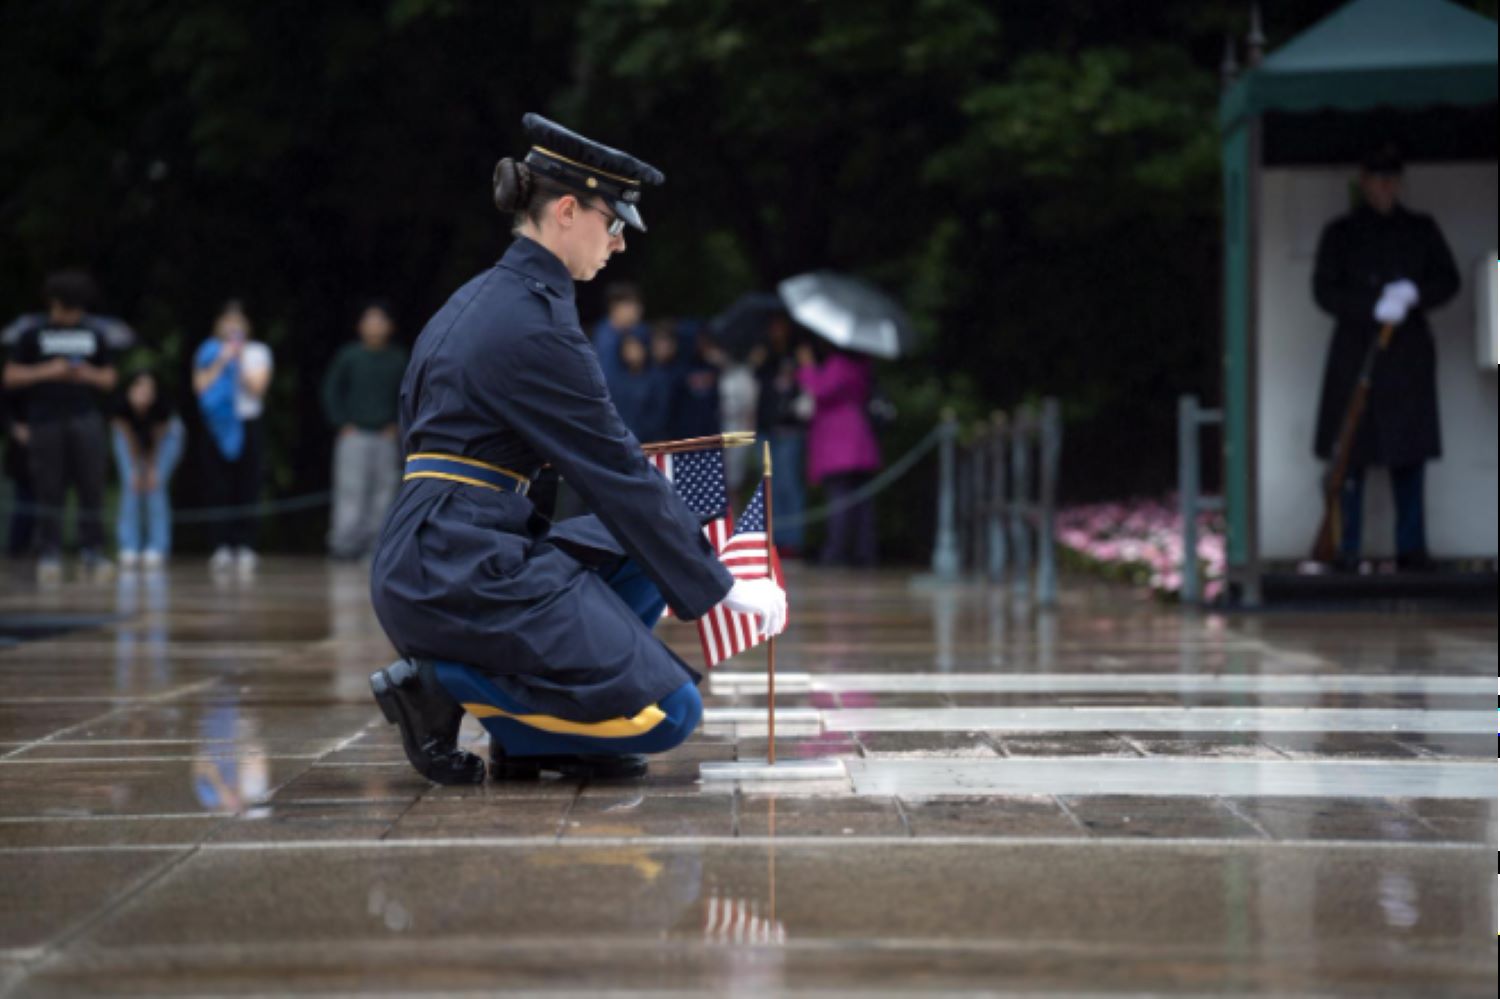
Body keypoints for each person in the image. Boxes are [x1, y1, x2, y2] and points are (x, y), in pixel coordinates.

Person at [367, 113, 786, 785]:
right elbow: (616, 468)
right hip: (458, 566)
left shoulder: (479, 299)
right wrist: (721, 586)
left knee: (645, 545)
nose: (619, 244)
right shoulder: (533, 326)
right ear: (567, 210)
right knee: (666, 714)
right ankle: (441, 681)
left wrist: (692, 561)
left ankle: (533, 741)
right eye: (613, 222)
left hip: (441, 550)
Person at [1311, 145, 1459, 572]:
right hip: (1356, 355)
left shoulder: (1421, 229)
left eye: (1392, 179)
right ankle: (1347, 547)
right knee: (1350, 456)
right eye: (1377, 179)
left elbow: (1447, 280)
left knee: (1408, 455)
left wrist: (1415, 294)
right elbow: (1323, 291)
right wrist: (1369, 306)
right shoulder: (1340, 233)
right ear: (1364, 181)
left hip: (1406, 358)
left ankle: (1411, 548)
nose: (1385, 187)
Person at [1, 271, 117, 583]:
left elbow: (110, 379)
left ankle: (92, 549)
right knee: (47, 488)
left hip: (84, 417)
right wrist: (47, 370)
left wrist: (86, 375)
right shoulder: (32, 334)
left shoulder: (94, 334)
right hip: (45, 420)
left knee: (91, 486)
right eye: (68, 308)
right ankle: (49, 549)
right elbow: (10, 376)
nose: (73, 315)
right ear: (55, 304)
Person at [321, 302, 408, 559]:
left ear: (390, 327)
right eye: (369, 320)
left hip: (386, 436)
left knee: (383, 491)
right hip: (354, 434)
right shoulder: (349, 356)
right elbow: (331, 390)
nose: (374, 326)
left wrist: (397, 424)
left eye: (380, 320)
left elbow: (406, 395)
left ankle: (376, 546)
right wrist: (341, 422)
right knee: (350, 490)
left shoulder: (398, 358)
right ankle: (344, 545)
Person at [192, 300, 273, 573]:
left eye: (237, 323)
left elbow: (257, 388)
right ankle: (221, 545)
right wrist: (222, 360)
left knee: (248, 484)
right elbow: (201, 387)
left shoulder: (257, 352)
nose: (232, 327)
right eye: (227, 322)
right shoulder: (210, 351)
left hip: (248, 423)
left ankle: (246, 544)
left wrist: (238, 361)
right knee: (218, 485)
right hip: (218, 424)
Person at [797, 342, 881, 567]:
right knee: (861, 503)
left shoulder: (839, 364)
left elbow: (820, 390)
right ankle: (864, 553)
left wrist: (807, 367)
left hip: (839, 442)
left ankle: (836, 553)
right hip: (860, 439)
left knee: (839, 501)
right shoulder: (862, 365)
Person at [111, 369, 184, 568]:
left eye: (148, 389)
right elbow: (129, 438)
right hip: (131, 440)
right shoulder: (120, 406)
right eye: (139, 388)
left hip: (165, 440)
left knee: (155, 486)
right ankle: (129, 545)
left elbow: (157, 440)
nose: (144, 393)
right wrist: (134, 469)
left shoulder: (161, 406)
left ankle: (158, 546)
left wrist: (152, 470)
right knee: (131, 484)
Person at [753, 315, 809, 557]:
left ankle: (792, 540)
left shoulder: (800, 356)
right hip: (766, 428)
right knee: (769, 486)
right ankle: (772, 538)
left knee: (788, 484)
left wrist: (806, 365)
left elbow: (809, 388)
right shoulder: (763, 357)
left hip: (790, 429)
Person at [607, 329, 670, 444]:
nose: (631, 352)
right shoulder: (615, 379)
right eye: (627, 348)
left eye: (635, 347)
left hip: (649, 442)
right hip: (620, 442)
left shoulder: (657, 378)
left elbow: (660, 414)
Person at [591, 282, 648, 387]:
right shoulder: (604, 338)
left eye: (638, 304)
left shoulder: (640, 331)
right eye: (630, 305)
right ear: (614, 307)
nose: (637, 310)